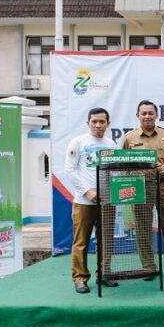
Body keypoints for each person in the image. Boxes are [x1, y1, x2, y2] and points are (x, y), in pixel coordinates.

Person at [64, 107, 118, 294]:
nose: (98, 125)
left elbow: (113, 171)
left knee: (106, 240)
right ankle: (80, 278)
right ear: (87, 123)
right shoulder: (78, 142)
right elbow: (69, 170)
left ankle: (104, 273)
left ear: (108, 124)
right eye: (94, 121)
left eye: (102, 121)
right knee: (81, 241)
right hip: (84, 201)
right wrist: (87, 192)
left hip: (107, 201)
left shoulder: (111, 144)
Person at [122, 100, 164, 271]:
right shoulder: (129, 138)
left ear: (156, 115)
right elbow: (124, 164)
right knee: (142, 226)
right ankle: (148, 266)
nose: (147, 116)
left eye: (150, 113)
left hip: (163, 184)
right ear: (138, 115)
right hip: (140, 186)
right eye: (144, 113)